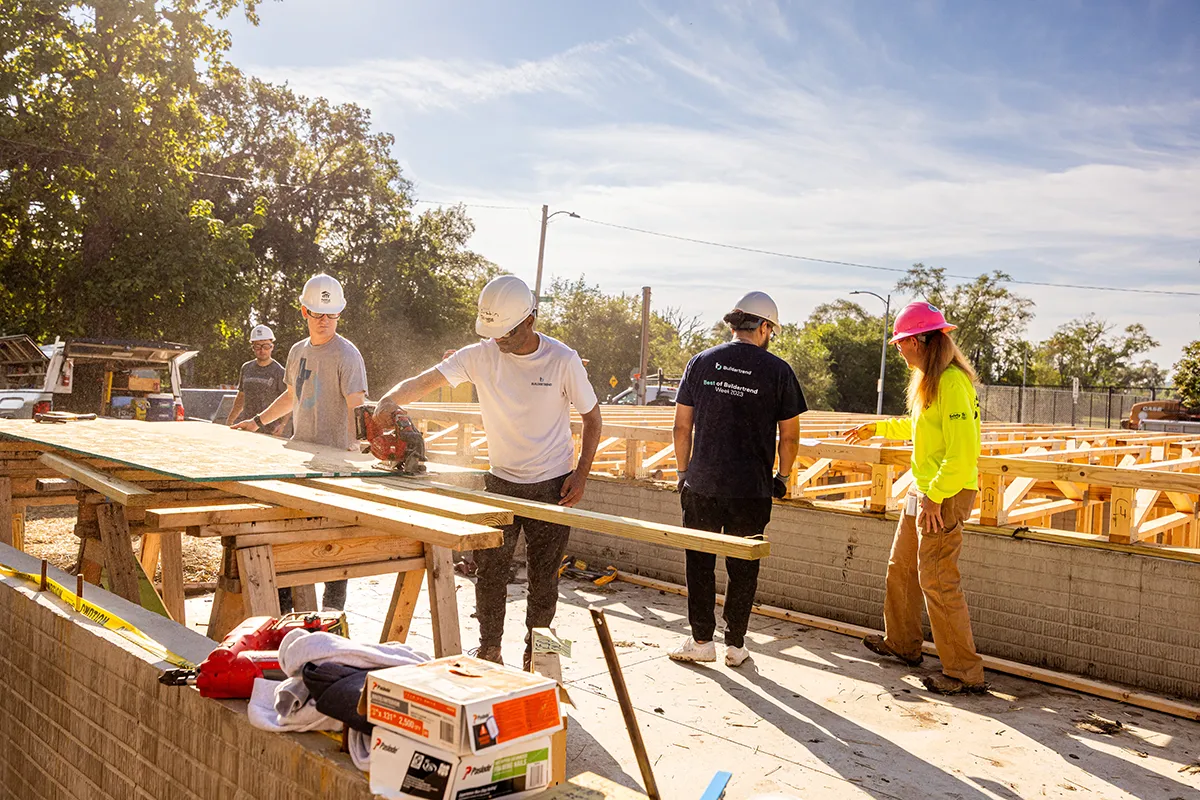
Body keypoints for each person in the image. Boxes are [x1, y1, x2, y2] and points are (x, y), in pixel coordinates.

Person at [374, 274, 603, 668]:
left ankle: (541, 656)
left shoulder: (562, 359)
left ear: (529, 319)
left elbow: (593, 418)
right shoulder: (479, 355)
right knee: (491, 574)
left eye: (507, 333)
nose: (499, 340)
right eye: (493, 333)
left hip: (553, 484)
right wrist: (389, 400)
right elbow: (426, 380)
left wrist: (580, 474)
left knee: (544, 579)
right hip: (500, 482)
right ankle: (490, 649)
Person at [844, 301, 986, 695]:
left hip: (945, 492)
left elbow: (962, 455)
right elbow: (920, 425)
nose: (899, 350)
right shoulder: (930, 380)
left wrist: (935, 497)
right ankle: (903, 644)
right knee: (901, 567)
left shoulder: (953, 383)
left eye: (903, 342)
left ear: (921, 340)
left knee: (938, 581)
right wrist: (878, 427)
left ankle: (964, 672)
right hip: (924, 490)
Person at [668, 291, 805, 668]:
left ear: (734, 324)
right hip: (752, 490)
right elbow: (790, 437)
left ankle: (700, 642)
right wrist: (783, 477)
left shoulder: (701, 362)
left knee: (699, 563)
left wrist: (683, 473)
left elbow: (682, 427)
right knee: (743, 566)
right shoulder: (779, 371)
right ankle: (736, 647)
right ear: (764, 327)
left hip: (702, 485)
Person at [234, 274, 368, 612]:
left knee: (334, 548)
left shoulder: (347, 354)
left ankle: (332, 618)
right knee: (291, 537)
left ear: (339, 314)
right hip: (299, 456)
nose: (325, 321)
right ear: (304, 312)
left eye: (331, 315)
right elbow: (293, 396)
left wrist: (360, 444)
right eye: (318, 314)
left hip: (336, 464)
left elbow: (358, 405)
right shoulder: (297, 352)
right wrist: (259, 421)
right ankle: (289, 615)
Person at [225, 324, 290, 436]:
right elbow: (241, 396)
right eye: (258, 346)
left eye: (266, 346)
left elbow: (289, 400)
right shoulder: (246, 368)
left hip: (270, 431)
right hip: (248, 429)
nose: (262, 350)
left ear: (272, 347)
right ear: (252, 348)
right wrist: (230, 420)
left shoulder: (279, 372)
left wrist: (282, 425)